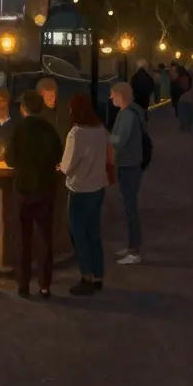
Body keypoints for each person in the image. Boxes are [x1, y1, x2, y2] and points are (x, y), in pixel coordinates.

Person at [4, 91, 63, 298]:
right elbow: (58, 155)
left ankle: (23, 285)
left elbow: (9, 159)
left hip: (24, 189)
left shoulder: (19, 130)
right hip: (46, 189)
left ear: (23, 109)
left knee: (24, 238)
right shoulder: (49, 129)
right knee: (45, 239)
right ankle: (45, 285)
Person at [59, 94, 111, 296]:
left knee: (79, 235)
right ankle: (98, 276)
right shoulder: (100, 130)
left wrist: (61, 166)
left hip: (80, 189)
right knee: (94, 234)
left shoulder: (76, 133)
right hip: (98, 187)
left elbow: (68, 167)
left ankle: (86, 277)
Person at [109, 82, 146, 265]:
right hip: (130, 164)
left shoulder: (127, 115)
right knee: (128, 207)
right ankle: (131, 246)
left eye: (113, 94)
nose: (110, 98)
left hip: (129, 165)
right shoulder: (130, 111)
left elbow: (119, 140)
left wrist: (105, 139)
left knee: (130, 208)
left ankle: (134, 251)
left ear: (121, 95)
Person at [35, 77, 72, 142]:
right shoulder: (37, 114)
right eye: (48, 97)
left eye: (53, 96)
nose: (52, 100)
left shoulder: (65, 109)